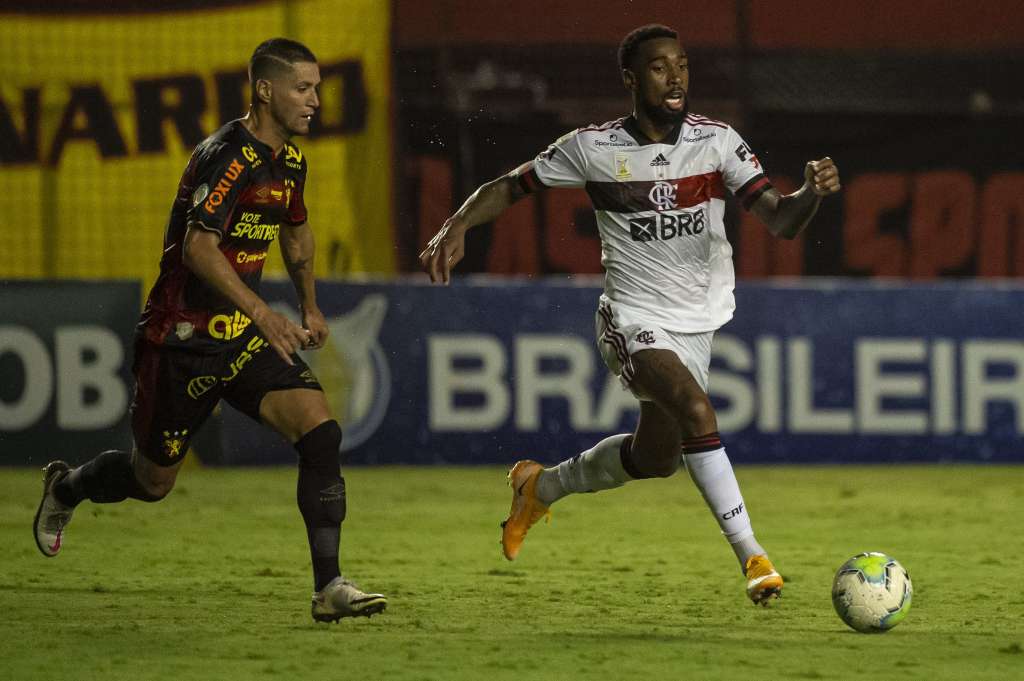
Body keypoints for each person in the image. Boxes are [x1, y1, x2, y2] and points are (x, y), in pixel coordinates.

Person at [420, 24, 841, 605]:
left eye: (683, 65)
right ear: (631, 79)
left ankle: (540, 486)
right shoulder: (593, 147)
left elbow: (782, 220)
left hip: (698, 323)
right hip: (631, 314)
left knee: (656, 459)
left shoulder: (719, 142)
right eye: (660, 67)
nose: (676, 77)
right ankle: (754, 558)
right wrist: (457, 223)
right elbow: (509, 186)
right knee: (697, 410)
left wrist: (811, 194)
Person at [32, 38, 386, 622]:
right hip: (180, 338)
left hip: (241, 338)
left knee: (321, 435)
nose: (315, 100)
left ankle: (329, 587)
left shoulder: (291, 160)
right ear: (265, 91)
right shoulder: (225, 156)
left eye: (318, 88)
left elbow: (295, 232)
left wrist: (310, 306)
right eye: (303, 88)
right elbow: (199, 248)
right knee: (152, 482)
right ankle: (66, 488)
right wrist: (265, 312)